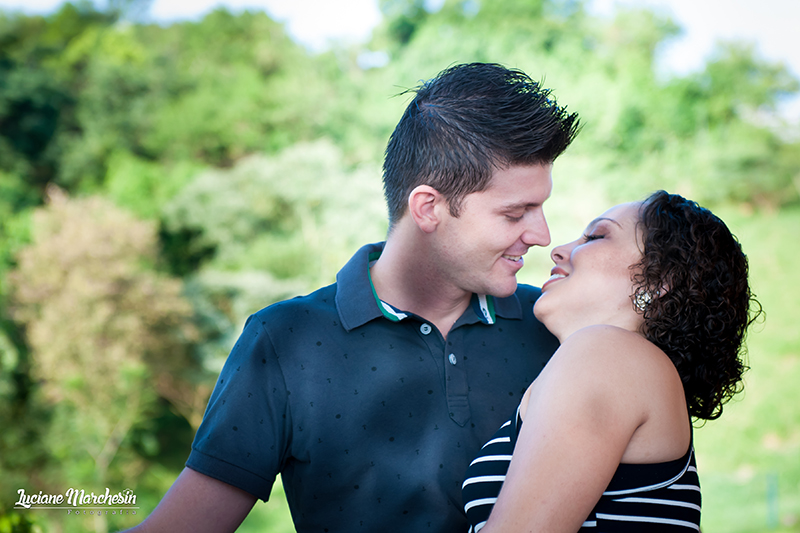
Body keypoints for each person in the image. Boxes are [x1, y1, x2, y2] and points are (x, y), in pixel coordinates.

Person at [126, 63, 580, 533]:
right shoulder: (283, 341)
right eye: (515, 213)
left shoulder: (556, 329)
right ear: (429, 208)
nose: (542, 235)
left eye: (540, 207)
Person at [462, 190, 762, 532]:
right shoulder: (625, 366)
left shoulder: (606, 354)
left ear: (660, 279)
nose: (558, 249)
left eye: (596, 236)